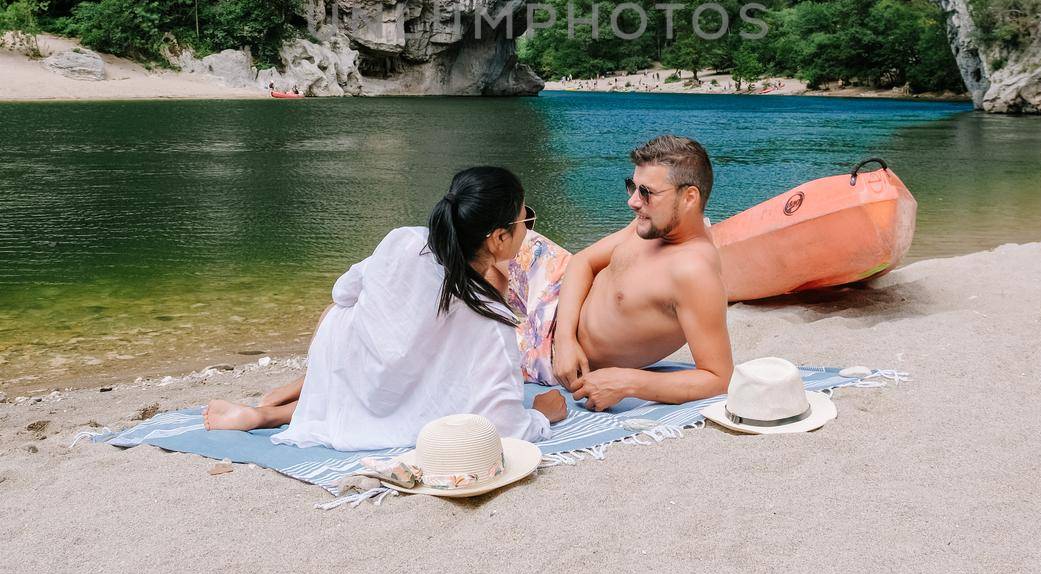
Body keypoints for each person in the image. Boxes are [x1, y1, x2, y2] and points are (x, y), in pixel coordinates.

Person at [202, 167, 567, 447]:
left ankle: (268, 413)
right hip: (395, 391)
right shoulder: (491, 320)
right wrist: (540, 414)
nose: (529, 229)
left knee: (362, 344)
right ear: (500, 237)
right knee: (435, 394)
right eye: (525, 220)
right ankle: (272, 412)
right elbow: (503, 428)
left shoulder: (406, 241)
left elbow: (343, 293)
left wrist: (399, 325)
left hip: (353, 366)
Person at [507, 134, 732, 411]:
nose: (633, 202)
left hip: (546, 347)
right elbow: (583, 261)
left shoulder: (693, 272)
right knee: (473, 236)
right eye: (632, 187)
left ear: (689, 197)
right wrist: (567, 337)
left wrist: (628, 383)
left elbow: (718, 378)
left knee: (461, 340)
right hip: (559, 292)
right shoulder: (653, 223)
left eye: (646, 192)